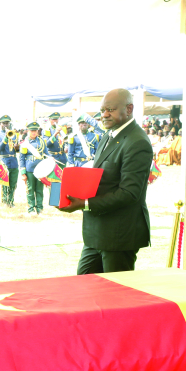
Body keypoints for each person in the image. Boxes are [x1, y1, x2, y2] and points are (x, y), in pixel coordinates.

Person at [58, 88, 152, 274]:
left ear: (129, 109)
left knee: (115, 296)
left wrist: (84, 203)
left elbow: (129, 193)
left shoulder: (137, 142)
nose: (104, 115)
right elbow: (102, 178)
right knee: (84, 287)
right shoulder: (109, 135)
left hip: (119, 235)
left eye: (110, 109)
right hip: (97, 233)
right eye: (102, 111)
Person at [18, 121, 52, 215]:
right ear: (28, 131)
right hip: (29, 169)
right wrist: (23, 172)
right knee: (30, 190)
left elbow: (46, 153)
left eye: (35, 130)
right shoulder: (25, 143)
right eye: (32, 130)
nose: (34, 132)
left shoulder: (41, 141)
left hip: (40, 169)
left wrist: (50, 157)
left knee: (39, 190)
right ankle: (31, 209)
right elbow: (21, 158)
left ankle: (40, 208)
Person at [0, 115, 19, 207]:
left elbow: (17, 150)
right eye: (4, 123)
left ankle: (11, 201)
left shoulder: (14, 134)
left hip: (13, 161)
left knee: (13, 183)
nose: (5, 125)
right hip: (4, 160)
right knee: (5, 182)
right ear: (0, 124)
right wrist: (5, 138)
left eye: (7, 123)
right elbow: (0, 148)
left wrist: (17, 147)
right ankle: (5, 201)